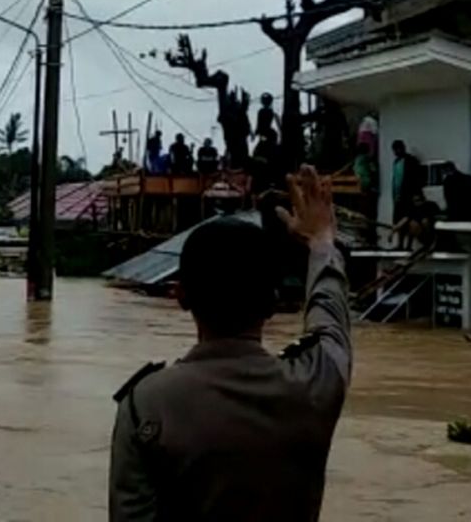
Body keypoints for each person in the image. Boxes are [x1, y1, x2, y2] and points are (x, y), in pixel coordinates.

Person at [110, 166, 350, 521]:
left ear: (180, 296)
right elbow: (331, 319)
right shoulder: (314, 384)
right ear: (273, 302)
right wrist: (322, 243)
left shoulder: (145, 403)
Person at [391, 140, 424, 247]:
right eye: (395, 150)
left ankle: (408, 245)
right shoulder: (396, 162)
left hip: (409, 196)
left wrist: (416, 194)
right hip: (398, 197)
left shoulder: (411, 161)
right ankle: (400, 244)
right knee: (399, 221)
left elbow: (417, 179)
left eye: (398, 149)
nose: (396, 152)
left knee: (409, 220)